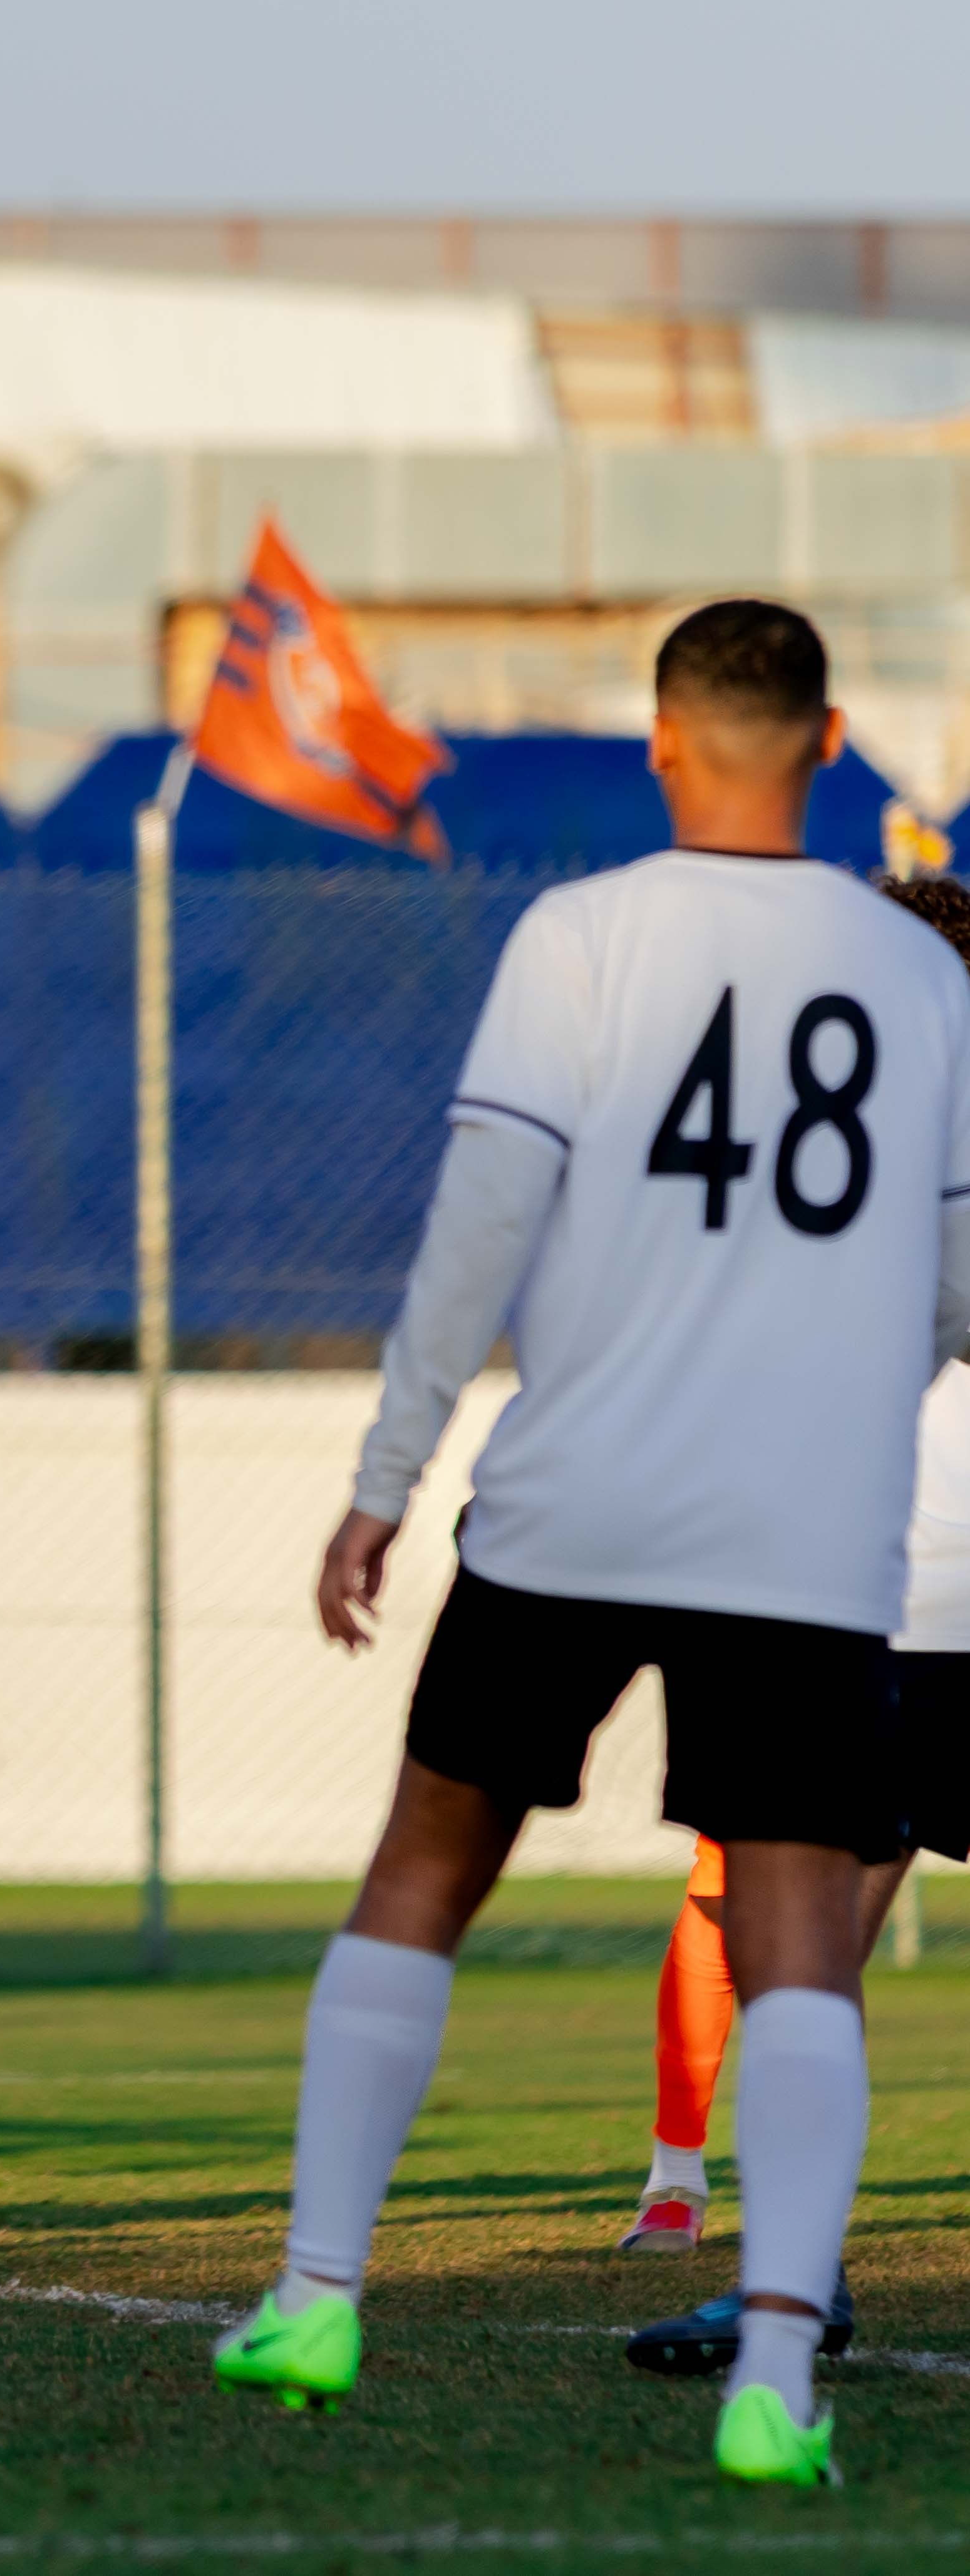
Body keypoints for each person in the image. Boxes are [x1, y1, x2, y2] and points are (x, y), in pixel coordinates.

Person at [208, 601, 970, 2490]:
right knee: (803, 1941)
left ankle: (316, 2290)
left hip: (580, 1491)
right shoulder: (919, 972)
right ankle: (778, 2376)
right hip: (799, 1529)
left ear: (658, 740)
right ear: (830, 741)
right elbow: (957, 1277)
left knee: (426, 1872)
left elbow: (479, 1224)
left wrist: (385, 1477)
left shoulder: (579, 935)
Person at [598, 868, 970, 2378]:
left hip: (857, 1602)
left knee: (805, 1975)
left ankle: (790, 2295)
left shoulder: (810, 1141)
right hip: (864, 1601)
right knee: (801, 1971)